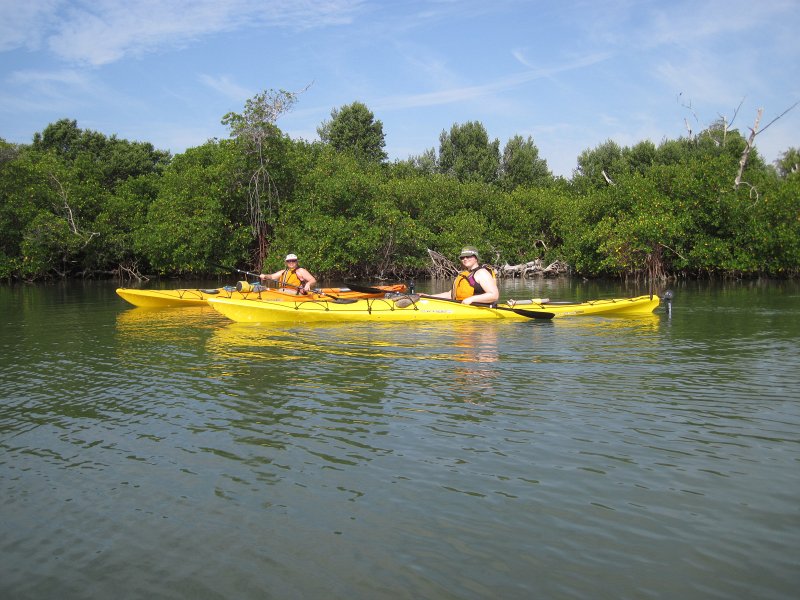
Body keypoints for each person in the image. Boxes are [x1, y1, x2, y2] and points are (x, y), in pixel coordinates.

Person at [429, 246, 499, 305]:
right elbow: (451, 295)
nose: (465, 259)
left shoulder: (482, 273)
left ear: (476, 258)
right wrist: (429, 296)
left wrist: (471, 299)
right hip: (463, 306)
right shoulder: (466, 274)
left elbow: (494, 295)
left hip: (480, 310)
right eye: (462, 257)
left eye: (468, 256)